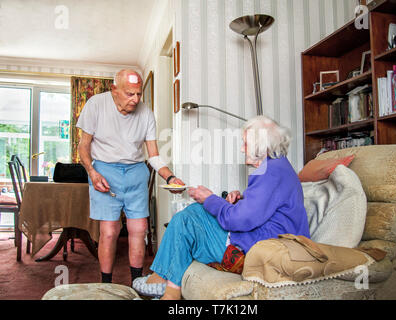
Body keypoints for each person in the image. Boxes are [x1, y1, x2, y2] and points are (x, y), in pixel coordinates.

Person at [133, 115, 310, 300]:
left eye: (246, 144)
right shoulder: (278, 167)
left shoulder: (272, 173)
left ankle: (167, 289)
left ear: (261, 146)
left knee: (187, 219)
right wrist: (240, 198)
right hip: (263, 239)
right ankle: (165, 281)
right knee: (195, 212)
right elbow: (263, 208)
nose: (242, 149)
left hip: (260, 250)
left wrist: (210, 198)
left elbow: (238, 220)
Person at [77, 69, 184, 284]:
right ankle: (106, 284)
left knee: (140, 228)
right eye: (129, 94)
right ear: (114, 90)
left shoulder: (146, 113)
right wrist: (92, 172)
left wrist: (171, 178)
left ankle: (136, 284)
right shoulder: (96, 105)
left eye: (138, 94)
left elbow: (153, 156)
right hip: (104, 172)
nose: (135, 100)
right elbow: (83, 146)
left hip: (136, 172)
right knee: (109, 231)